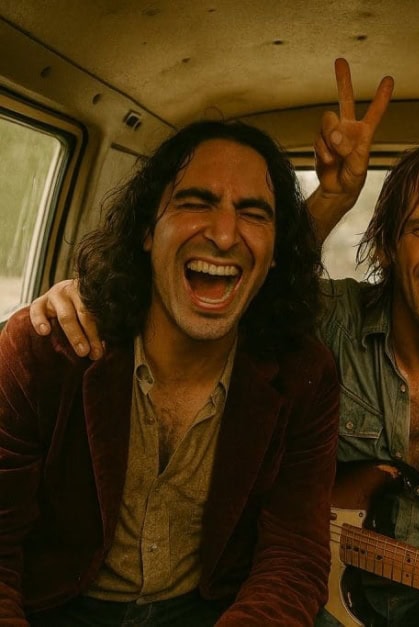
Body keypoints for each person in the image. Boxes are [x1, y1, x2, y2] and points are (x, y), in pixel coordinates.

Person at [28, 62, 419, 627]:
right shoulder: (328, 321)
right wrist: (90, 296)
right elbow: (241, 279)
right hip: (317, 598)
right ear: (386, 246)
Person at [0, 120, 341, 625]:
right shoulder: (45, 350)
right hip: (58, 604)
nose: (223, 235)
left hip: (213, 609)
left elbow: (292, 556)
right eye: (196, 202)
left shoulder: (303, 375)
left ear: (274, 255)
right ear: (146, 230)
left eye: (253, 213)